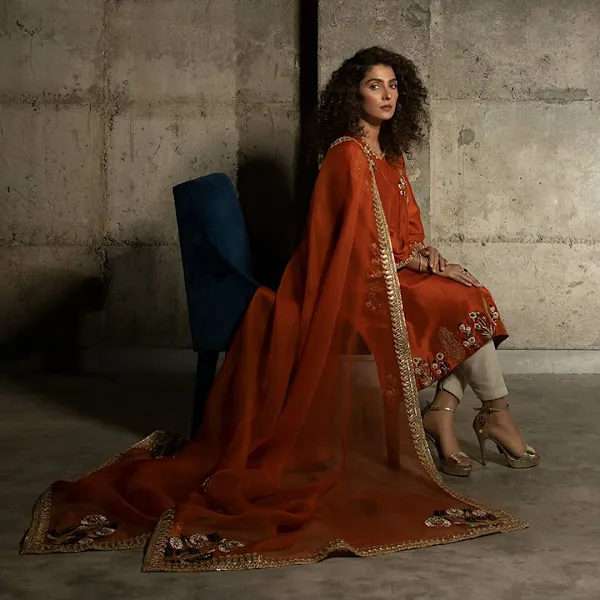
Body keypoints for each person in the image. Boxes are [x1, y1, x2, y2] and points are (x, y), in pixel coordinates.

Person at [20, 47, 537, 573]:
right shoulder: (346, 156)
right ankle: (490, 413)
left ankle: (449, 412)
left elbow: (406, 229)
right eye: (375, 86)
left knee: (469, 294)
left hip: (390, 271)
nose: (387, 96)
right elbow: (347, 245)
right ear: (353, 95)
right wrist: (409, 261)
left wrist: (427, 255)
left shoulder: (391, 155)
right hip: (352, 286)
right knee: (461, 302)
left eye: (394, 86)